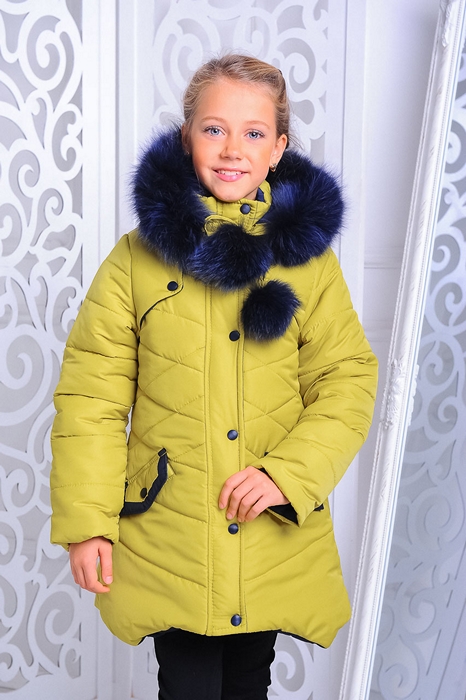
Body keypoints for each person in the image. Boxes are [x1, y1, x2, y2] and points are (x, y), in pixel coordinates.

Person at [50, 54, 378, 699]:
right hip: (172, 530)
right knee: (189, 685)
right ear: (186, 137)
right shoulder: (136, 261)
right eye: (214, 129)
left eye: (254, 132)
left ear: (278, 148)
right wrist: (88, 523)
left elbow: (347, 381)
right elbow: (92, 396)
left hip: (267, 530)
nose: (232, 149)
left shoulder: (309, 265)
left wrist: (288, 474)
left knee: (249, 682)